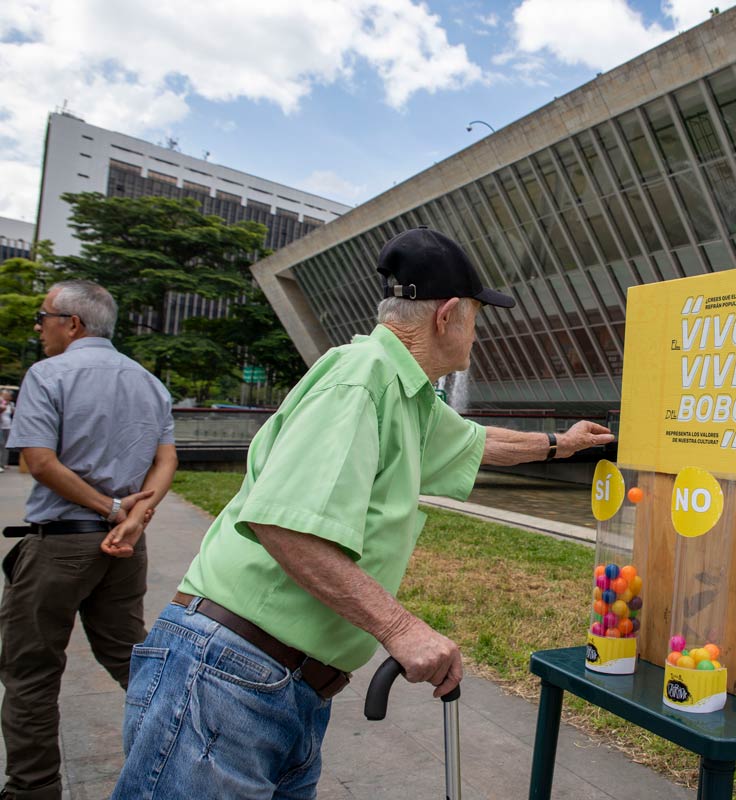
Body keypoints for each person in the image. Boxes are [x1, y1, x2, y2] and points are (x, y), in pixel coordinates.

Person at [113, 227, 615, 798]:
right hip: (228, 674)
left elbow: (478, 442)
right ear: (447, 315)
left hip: (278, 683)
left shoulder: (405, 392)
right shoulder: (361, 380)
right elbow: (282, 524)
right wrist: (401, 629)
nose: (479, 331)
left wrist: (561, 443)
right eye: (477, 314)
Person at [0, 280, 177, 800]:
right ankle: (176, 763)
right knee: (133, 660)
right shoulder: (148, 381)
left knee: (30, 671)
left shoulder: (48, 374)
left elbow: (39, 460)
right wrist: (137, 516)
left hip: (60, 542)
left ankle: (32, 790)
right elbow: (167, 459)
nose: (40, 327)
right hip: (125, 547)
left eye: (44, 317)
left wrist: (115, 508)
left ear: (72, 323)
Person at [0, 391, 13, 472]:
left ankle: (4, 463)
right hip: (1, 427)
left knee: (5, 446)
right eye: (6, 395)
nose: (8, 396)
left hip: (7, 426)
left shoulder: (9, 403)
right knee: (1, 445)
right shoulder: (2, 401)